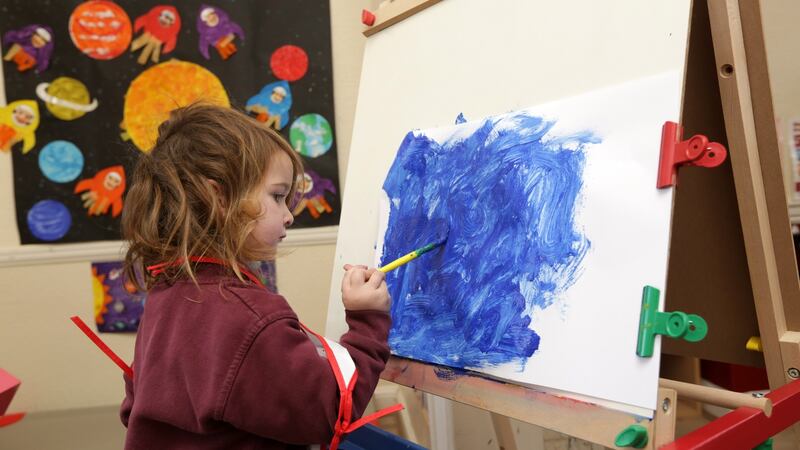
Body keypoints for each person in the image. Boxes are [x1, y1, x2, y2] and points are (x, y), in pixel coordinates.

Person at [120, 102, 392, 449]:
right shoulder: (246, 317)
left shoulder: (168, 295)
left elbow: (136, 407)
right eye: (278, 196)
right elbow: (332, 411)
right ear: (218, 196)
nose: (289, 215)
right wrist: (368, 321)